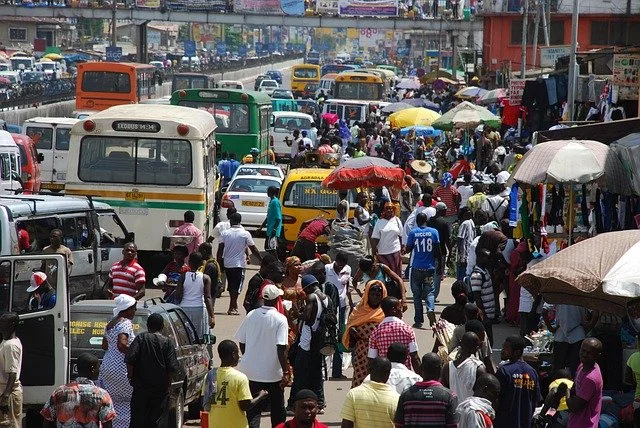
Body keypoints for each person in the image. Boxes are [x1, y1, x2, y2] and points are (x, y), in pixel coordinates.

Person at [235, 283, 289, 428]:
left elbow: (242, 341)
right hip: (273, 374)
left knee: (253, 410)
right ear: (277, 299)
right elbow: (281, 347)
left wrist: (250, 357)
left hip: (250, 372)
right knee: (278, 411)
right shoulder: (280, 319)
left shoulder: (251, 315)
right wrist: (285, 371)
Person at [126, 313, 180, 427]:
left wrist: (130, 377)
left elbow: (130, 359)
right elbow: (172, 368)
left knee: (138, 420)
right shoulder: (167, 342)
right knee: (158, 421)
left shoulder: (141, 338)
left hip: (140, 390)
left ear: (147, 325)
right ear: (162, 326)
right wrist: (168, 386)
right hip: (160, 391)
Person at [287, 275, 330, 413]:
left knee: (300, 373)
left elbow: (306, 316)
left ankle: (293, 404)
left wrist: (295, 313)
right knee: (316, 373)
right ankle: (320, 402)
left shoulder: (312, 297)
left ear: (308, 287)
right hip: (320, 341)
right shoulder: (326, 298)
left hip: (307, 341)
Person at [41, 352, 115, 428]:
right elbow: (107, 423)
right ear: (93, 369)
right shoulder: (102, 394)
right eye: (98, 367)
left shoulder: (59, 392)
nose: (99, 371)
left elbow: (47, 420)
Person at [206, 340, 268, 428]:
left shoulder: (209, 376)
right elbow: (245, 406)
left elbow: (204, 402)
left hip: (215, 425)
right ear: (233, 354)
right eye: (238, 353)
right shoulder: (240, 378)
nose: (239, 357)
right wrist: (261, 396)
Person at [98, 294, 136, 428]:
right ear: (127, 309)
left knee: (112, 401)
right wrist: (136, 354)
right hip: (121, 368)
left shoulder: (110, 324)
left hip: (108, 366)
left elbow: (104, 346)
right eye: (134, 309)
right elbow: (122, 345)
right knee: (128, 401)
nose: (135, 312)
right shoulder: (125, 323)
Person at [549, 338, 603, 428]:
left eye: (589, 353)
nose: (584, 355)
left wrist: (566, 389)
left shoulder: (591, 378)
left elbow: (573, 407)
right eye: (583, 351)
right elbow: (575, 387)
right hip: (575, 421)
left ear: (597, 356)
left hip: (585, 424)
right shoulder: (582, 366)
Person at [394, 352, 458, 427]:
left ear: (421, 368)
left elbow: (399, 425)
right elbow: (452, 425)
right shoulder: (450, 396)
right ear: (440, 370)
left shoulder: (405, 395)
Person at [343, 280, 387, 387]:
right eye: (372, 294)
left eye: (378, 295)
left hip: (380, 351)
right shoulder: (358, 309)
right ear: (367, 294)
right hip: (361, 351)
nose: (375, 297)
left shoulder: (386, 310)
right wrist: (351, 330)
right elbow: (350, 324)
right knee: (359, 379)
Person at [217, 213, 263, 315]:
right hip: (238, 264)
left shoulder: (225, 233)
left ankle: (233, 305)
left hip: (227, 263)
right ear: (240, 221)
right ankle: (232, 307)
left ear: (231, 221)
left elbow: (220, 250)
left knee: (231, 285)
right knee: (236, 286)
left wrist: (219, 263)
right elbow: (253, 248)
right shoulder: (245, 234)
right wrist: (261, 260)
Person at [494, 335, 541, 428]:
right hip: (525, 423)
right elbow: (536, 399)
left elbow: (496, 399)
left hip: (504, 423)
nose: (502, 351)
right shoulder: (532, 372)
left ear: (517, 352)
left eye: (506, 348)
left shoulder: (504, 371)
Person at [340, 357, 399, 428]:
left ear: (369, 370)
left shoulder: (353, 394)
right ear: (388, 374)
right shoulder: (396, 398)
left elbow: (346, 425)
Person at [405, 212, 441, 328]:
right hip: (429, 268)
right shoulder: (434, 232)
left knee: (416, 295)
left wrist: (405, 249)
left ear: (417, 221)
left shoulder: (413, 233)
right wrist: (439, 265)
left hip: (416, 268)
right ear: (426, 220)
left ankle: (419, 320)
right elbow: (438, 251)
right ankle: (430, 309)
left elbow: (409, 248)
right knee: (430, 291)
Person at [368, 297, 420, 373]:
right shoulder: (407, 330)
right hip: (405, 376)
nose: (402, 311)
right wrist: (421, 378)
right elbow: (414, 357)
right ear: (394, 310)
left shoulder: (376, 332)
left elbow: (372, 359)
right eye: (400, 308)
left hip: (385, 376)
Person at [324, 252, 352, 379]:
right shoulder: (326, 268)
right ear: (335, 261)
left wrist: (350, 301)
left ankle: (336, 371)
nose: (341, 268)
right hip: (328, 307)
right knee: (327, 336)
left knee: (340, 337)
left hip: (341, 306)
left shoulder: (348, 269)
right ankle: (323, 371)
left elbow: (347, 287)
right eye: (339, 265)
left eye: (343, 266)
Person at [175, 252, 215, 339]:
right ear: (201, 263)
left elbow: (178, 295)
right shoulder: (206, 278)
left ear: (189, 262)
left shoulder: (183, 277)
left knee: (186, 336)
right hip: (199, 309)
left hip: (184, 309)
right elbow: (207, 297)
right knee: (199, 337)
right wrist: (212, 316)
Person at [441, 332, 486, 403]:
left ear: (460, 344)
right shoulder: (479, 368)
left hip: (453, 411)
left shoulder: (447, 367)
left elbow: (444, 392)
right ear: (476, 349)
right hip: (471, 412)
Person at [544, 304, 587, 375]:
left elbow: (544, 310)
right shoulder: (583, 292)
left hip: (561, 335)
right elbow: (595, 313)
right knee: (576, 369)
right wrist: (588, 328)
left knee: (558, 369)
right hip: (578, 335)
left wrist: (550, 328)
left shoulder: (560, 293)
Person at [371, 202, 404, 279]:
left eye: (391, 208)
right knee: (385, 275)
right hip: (383, 253)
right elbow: (374, 238)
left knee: (397, 273)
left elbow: (401, 235)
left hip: (395, 251)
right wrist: (374, 251)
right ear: (384, 210)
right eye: (387, 208)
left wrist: (403, 247)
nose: (389, 210)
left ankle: (398, 289)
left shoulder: (397, 220)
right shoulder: (379, 222)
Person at [0, 313, 21, 428]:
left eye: (3, 324)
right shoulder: (7, 342)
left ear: (12, 325)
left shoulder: (10, 345)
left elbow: (12, 373)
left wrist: (5, 397)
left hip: (8, 394)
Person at [470, 248, 495, 345]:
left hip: (489, 313)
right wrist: (483, 316)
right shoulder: (477, 275)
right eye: (487, 258)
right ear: (479, 258)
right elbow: (477, 297)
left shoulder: (484, 271)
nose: (489, 260)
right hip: (485, 315)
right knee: (486, 343)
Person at [264, 185, 282, 256]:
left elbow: (278, 218)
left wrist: (274, 229)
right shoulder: (271, 201)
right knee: (269, 247)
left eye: (269, 191)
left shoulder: (275, 202)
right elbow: (268, 216)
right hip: (269, 229)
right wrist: (261, 227)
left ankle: (276, 261)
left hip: (273, 230)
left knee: (271, 248)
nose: (267, 193)